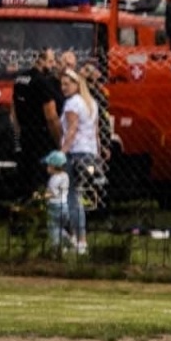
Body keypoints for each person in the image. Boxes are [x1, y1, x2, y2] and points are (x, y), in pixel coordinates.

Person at [9, 48, 64, 197]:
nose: (52, 65)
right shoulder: (43, 83)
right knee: (42, 175)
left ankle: (26, 203)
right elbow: (51, 116)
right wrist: (60, 141)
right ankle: (41, 203)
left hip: (25, 133)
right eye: (51, 61)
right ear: (41, 61)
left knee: (26, 173)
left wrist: (18, 130)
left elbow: (13, 108)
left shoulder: (20, 79)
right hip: (42, 135)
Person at [58, 69, 100, 254]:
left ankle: (79, 239)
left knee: (72, 197)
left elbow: (71, 130)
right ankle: (76, 237)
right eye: (62, 84)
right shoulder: (91, 103)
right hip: (90, 153)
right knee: (78, 196)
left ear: (77, 84)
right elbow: (96, 132)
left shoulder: (72, 104)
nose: (63, 87)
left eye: (67, 84)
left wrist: (62, 152)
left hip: (75, 153)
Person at [42, 150, 69, 252]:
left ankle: (57, 248)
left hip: (55, 206)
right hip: (65, 205)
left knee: (53, 227)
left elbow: (53, 193)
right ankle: (69, 241)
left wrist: (41, 196)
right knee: (59, 227)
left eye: (48, 165)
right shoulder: (65, 176)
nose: (47, 167)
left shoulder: (54, 179)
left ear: (53, 166)